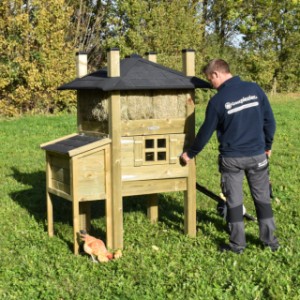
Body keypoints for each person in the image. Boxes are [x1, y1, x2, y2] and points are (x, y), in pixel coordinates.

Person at [181, 59, 279, 254]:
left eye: (210, 79)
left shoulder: (218, 101)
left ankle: (237, 245)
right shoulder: (255, 89)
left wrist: (190, 153)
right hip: (257, 156)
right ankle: (270, 242)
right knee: (262, 200)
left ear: (217, 74)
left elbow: (205, 132)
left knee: (234, 203)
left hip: (232, 160)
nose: (211, 84)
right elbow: (270, 121)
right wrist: (267, 146)